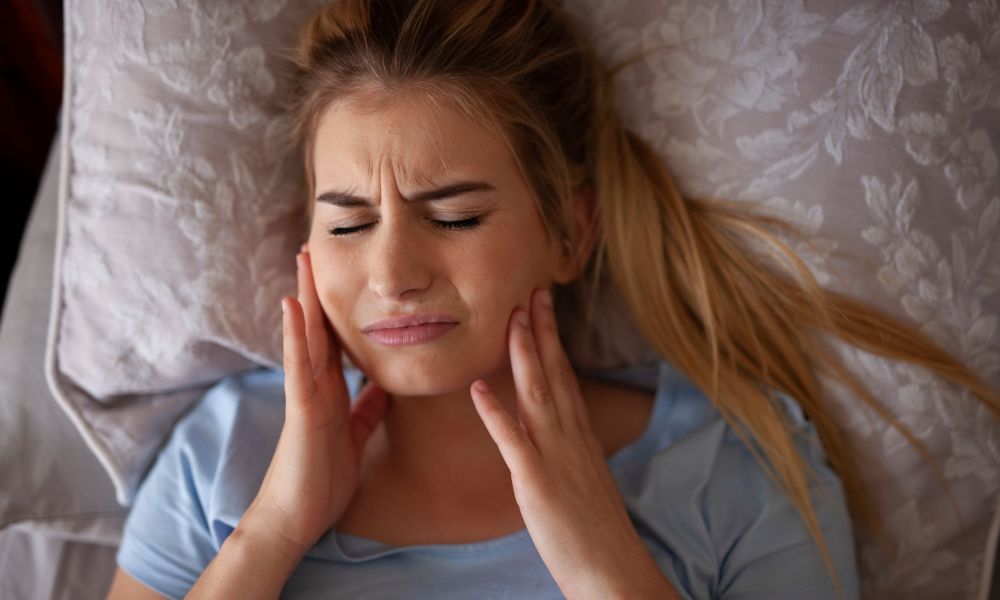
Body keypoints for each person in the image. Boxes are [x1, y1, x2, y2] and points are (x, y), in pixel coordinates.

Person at [106, 1, 1000, 599]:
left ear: (571, 233)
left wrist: (607, 565)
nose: (391, 273)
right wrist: (271, 535)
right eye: (346, 225)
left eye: (452, 215)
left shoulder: (737, 474)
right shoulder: (221, 462)